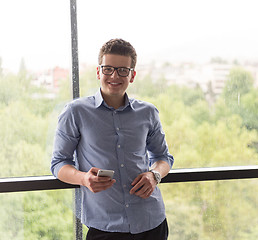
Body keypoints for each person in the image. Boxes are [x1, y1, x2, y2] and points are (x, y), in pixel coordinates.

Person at [51, 38, 174, 240]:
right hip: (104, 228)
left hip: (151, 222)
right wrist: (83, 179)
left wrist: (154, 176)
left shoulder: (148, 112)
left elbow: (163, 157)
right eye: (108, 69)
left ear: (132, 75)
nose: (114, 76)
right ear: (98, 71)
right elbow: (58, 163)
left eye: (122, 70)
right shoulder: (76, 112)